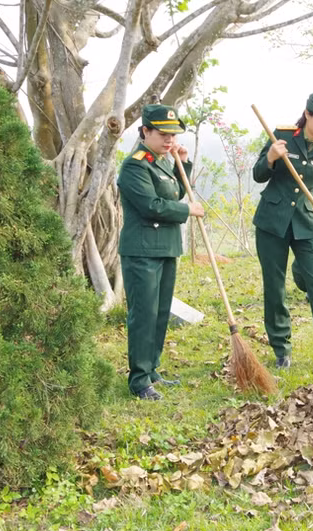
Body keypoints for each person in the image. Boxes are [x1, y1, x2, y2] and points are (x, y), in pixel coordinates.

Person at [252, 92, 313, 373]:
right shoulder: (281, 135)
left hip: (308, 225)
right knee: (275, 287)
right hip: (272, 223)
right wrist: (269, 157)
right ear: (307, 114)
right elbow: (258, 174)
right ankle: (281, 349)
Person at [117, 104, 205, 401]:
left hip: (166, 247)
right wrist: (187, 210)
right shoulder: (135, 165)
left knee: (159, 313)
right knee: (143, 314)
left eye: (173, 135)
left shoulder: (164, 161)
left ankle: (152, 369)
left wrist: (184, 164)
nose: (169, 140)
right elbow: (151, 206)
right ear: (145, 132)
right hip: (142, 250)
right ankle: (139, 379)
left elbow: (176, 193)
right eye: (163, 134)